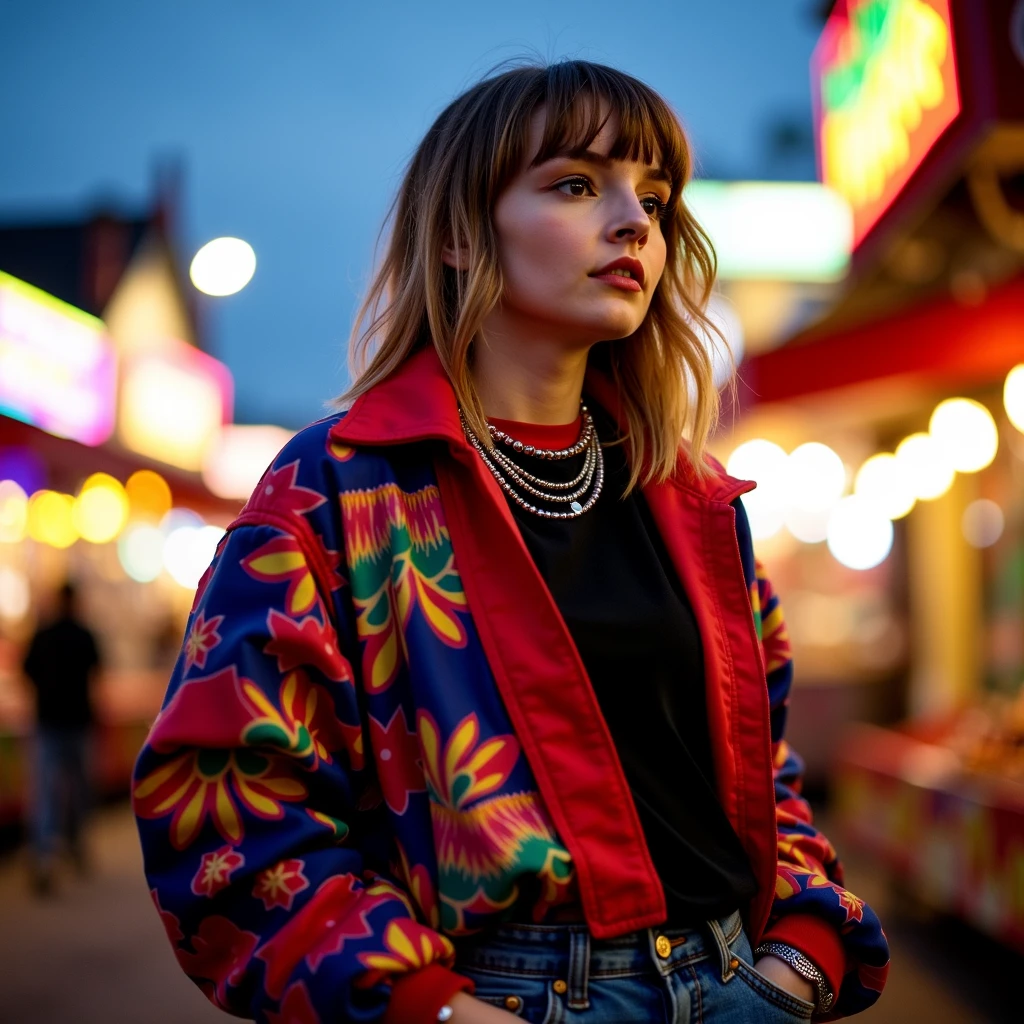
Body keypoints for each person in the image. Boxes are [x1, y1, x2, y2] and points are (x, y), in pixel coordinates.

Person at [133, 61, 890, 1022]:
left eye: (653, 199)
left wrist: (801, 958)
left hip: (745, 984)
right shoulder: (339, 488)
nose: (634, 224)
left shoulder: (694, 497)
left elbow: (761, 772)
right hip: (507, 995)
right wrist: (429, 1008)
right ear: (458, 234)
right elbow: (223, 807)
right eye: (578, 185)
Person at [23, 580, 101, 893]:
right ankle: (75, 844)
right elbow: (97, 673)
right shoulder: (85, 635)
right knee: (80, 788)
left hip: (46, 722)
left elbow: (26, 671)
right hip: (79, 722)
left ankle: (44, 855)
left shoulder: (41, 635)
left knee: (44, 792)